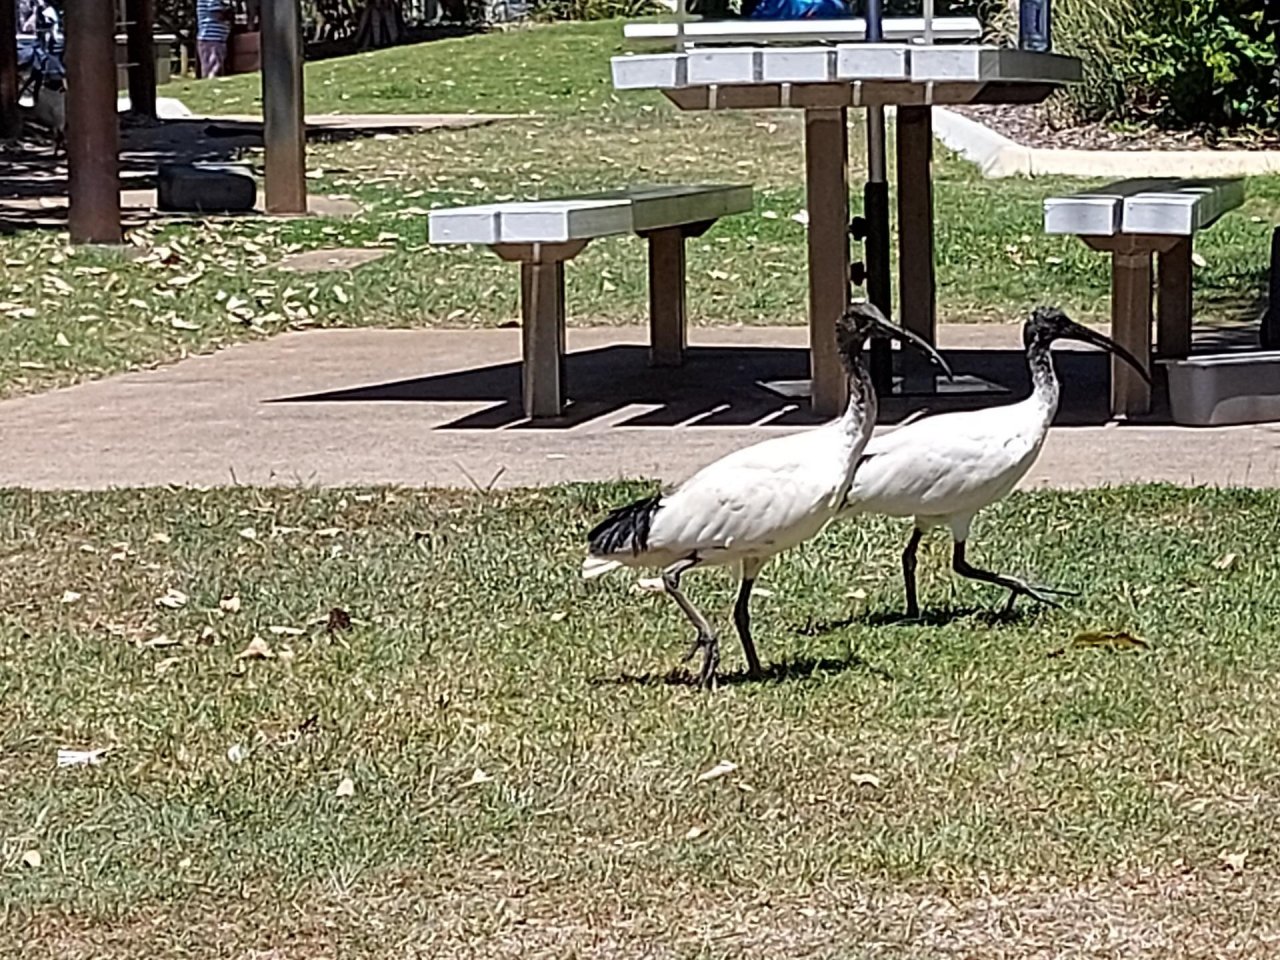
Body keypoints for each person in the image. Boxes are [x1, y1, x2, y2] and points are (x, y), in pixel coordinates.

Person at [196, 0, 234, 78]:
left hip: (214, 37)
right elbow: (216, 12)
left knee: (213, 66)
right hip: (211, 37)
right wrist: (229, 13)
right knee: (214, 67)